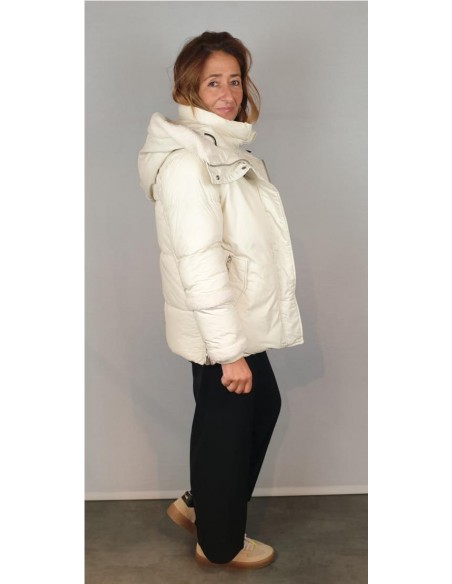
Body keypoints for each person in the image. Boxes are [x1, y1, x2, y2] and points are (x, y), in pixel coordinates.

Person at [138, 31, 303, 569]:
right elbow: (199, 261)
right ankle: (220, 542)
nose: (228, 93)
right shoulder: (188, 162)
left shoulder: (220, 148)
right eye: (214, 82)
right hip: (221, 329)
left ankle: (201, 505)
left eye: (235, 80)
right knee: (227, 428)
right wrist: (229, 352)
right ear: (189, 87)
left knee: (253, 410)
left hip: (237, 319)